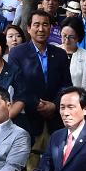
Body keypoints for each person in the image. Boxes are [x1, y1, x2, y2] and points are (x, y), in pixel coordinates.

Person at [12, 10, 71, 143]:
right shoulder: (18, 53)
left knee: (55, 161)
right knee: (31, 162)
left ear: (51, 28)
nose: (41, 29)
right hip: (29, 117)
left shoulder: (60, 54)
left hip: (55, 119)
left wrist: (55, 105)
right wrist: (37, 104)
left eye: (45, 24)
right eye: (36, 24)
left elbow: (66, 84)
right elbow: (19, 84)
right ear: (28, 28)